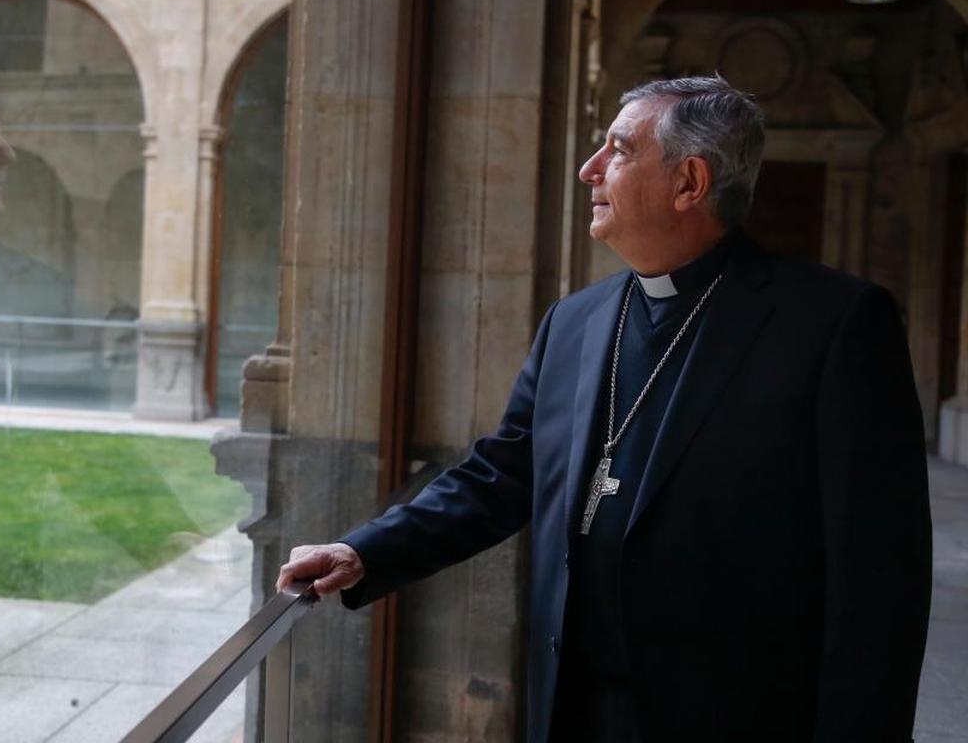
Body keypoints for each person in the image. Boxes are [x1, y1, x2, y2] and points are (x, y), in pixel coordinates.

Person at [276, 76, 931, 743]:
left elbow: (879, 577)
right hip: (573, 709)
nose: (590, 169)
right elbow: (503, 473)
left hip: (736, 717)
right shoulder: (577, 321)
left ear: (689, 182)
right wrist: (366, 552)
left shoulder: (833, 324)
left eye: (618, 150)